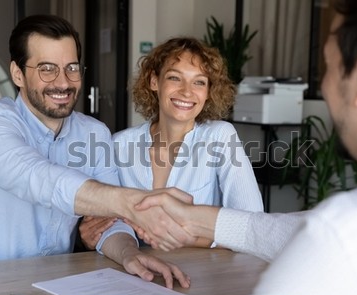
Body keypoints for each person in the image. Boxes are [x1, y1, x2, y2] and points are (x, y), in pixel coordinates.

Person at [134, 0, 357, 295]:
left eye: (328, 68)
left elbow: (312, 236)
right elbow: (277, 230)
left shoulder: (340, 234)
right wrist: (189, 219)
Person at [0, 14, 191, 289]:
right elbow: (37, 178)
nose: (63, 82)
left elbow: (108, 224)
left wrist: (129, 253)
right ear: (17, 74)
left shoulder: (94, 134)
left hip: (55, 285)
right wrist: (134, 203)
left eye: (71, 68)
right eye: (47, 69)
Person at [81, 37, 263, 248]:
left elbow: (252, 226)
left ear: (208, 92)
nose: (187, 91)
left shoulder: (220, 136)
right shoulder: (118, 145)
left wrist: (192, 239)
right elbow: (102, 226)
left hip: (204, 273)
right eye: (175, 78)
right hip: (136, 271)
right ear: (154, 81)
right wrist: (92, 237)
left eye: (199, 82)